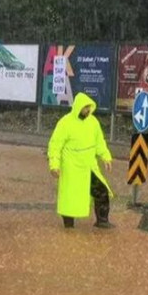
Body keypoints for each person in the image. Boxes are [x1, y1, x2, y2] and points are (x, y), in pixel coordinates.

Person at [47, 92, 114, 229]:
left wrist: (105, 156)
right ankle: (68, 225)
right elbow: (55, 145)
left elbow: (99, 142)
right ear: (78, 107)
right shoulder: (65, 123)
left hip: (89, 166)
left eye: (89, 107)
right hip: (71, 167)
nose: (88, 110)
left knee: (101, 191)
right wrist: (54, 165)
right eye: (85, 107)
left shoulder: (93, 122)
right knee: (69, 196)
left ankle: (102, 221)